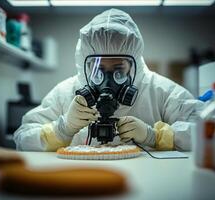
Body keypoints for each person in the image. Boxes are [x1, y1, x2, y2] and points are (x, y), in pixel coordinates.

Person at [14, 9, 204, 152]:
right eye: (98, 71)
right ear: (85, 66)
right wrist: (62, 129)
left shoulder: (160, 90)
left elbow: (209, 131)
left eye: (118, 71)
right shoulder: (65, 92)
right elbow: (22, 136)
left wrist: (157, 136)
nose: (107, 82)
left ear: (134, 65)